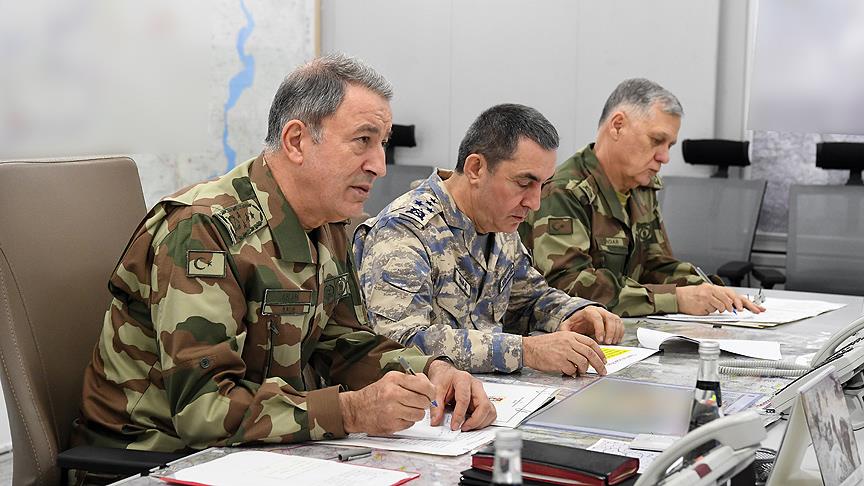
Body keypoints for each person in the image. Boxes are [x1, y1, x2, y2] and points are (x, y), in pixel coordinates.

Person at [75, 54, 496, 453]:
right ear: (296, 141)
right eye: (363, 141)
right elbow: (205, 411)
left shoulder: (327, 224)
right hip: (153, 458)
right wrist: (351, 411)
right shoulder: (203, 230)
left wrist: (433, 372)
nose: (379, 165)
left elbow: (345, 344)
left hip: (253, 454)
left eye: (382, 144)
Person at [354, 104, 623, 376]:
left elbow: (528, 299)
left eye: (542, 185)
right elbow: (399, 342)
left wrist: (573, 313)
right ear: (476, 168)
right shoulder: (404, 231)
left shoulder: (499, 224)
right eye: (524, 183)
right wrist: (525, 351)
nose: (535, 203)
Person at [519, 78, 765, 318]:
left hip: (629, 329)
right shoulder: (564, 191)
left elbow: (654, 265)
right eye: (657, 140)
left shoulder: (641, 187)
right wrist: (676, 299)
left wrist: (706, 289)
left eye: (669, 145)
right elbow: (568, 286)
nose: (664, 157)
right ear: (617, 126)